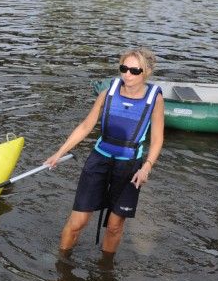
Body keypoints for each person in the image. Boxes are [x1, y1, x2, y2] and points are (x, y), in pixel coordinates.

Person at [45, 48, 164, 257]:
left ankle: (105, 268)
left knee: (114, 226)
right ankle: (60, 265)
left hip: (129, 166)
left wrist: (147, 167)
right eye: (123, 68)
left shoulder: (155, 98)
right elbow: (85, 126)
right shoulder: (109, 91)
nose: (127, 74)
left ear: (145, 72)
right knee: (77, 222)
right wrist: (59, 152)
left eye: (134, 71)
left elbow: (157, 139)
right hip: (99, 159)